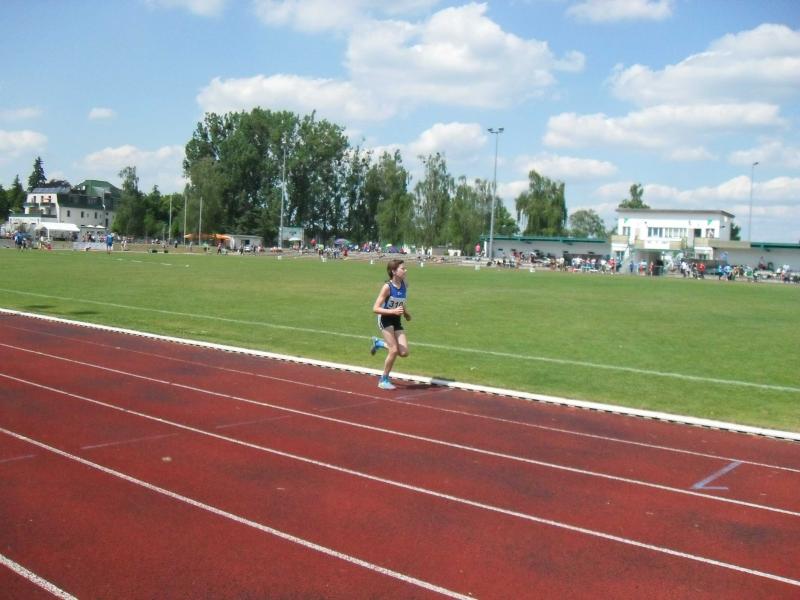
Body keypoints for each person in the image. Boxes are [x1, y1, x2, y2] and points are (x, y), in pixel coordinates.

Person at [370, 259, 411, 390]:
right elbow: (375, 308)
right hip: (385, 318)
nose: (405, 270)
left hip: (396, 319)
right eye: (402, 268)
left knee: (404, 352)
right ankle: (383, 380)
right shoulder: (387, 287)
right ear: (394, 271)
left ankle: (379, 343)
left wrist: (406, 313)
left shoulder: (405, 284)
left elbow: (401, 301)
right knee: (393, 350)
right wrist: (392, 311)